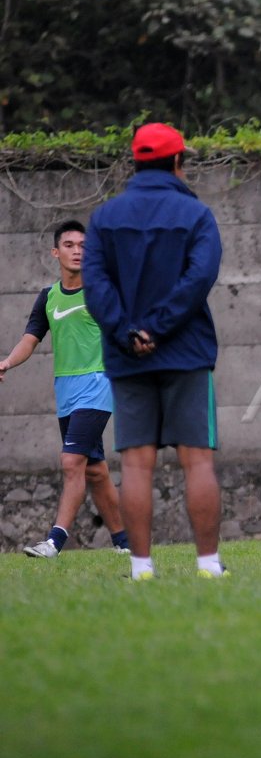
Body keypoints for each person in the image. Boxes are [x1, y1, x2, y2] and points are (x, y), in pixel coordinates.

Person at [82, 122, 225, 579]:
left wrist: (129, 333)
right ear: (178, 162)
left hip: (127, 358)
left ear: (136, 163)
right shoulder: (197, 216)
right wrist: (159, 328)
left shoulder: (104, 219)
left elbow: (95, 285)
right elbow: (199, 278)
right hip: (186, 353)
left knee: (136, 464)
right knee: (197, 459)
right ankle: (207, 565)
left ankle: (142, 568)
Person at [0, 221, 129, 557]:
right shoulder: (48, 297)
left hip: (99, 382)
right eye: (69, 245)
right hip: (66, 390)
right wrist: (7, 363)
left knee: (72, 461)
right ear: (56, 252)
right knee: (95, 470)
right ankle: (125, 544)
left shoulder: (103, 291)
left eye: (83, 245)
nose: (77, 251)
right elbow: (30, 339)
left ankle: (55, 541)